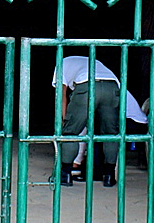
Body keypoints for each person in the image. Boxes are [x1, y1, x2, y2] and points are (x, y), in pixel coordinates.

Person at [52, 55, 147, 188]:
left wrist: (63, 120)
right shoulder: (93, 61)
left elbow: (61, 94)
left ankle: (66, 174)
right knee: (110, 134)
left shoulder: (60, 65)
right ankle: (109, 176)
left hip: (87, 84)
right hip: (111, 86)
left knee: (71, 132)